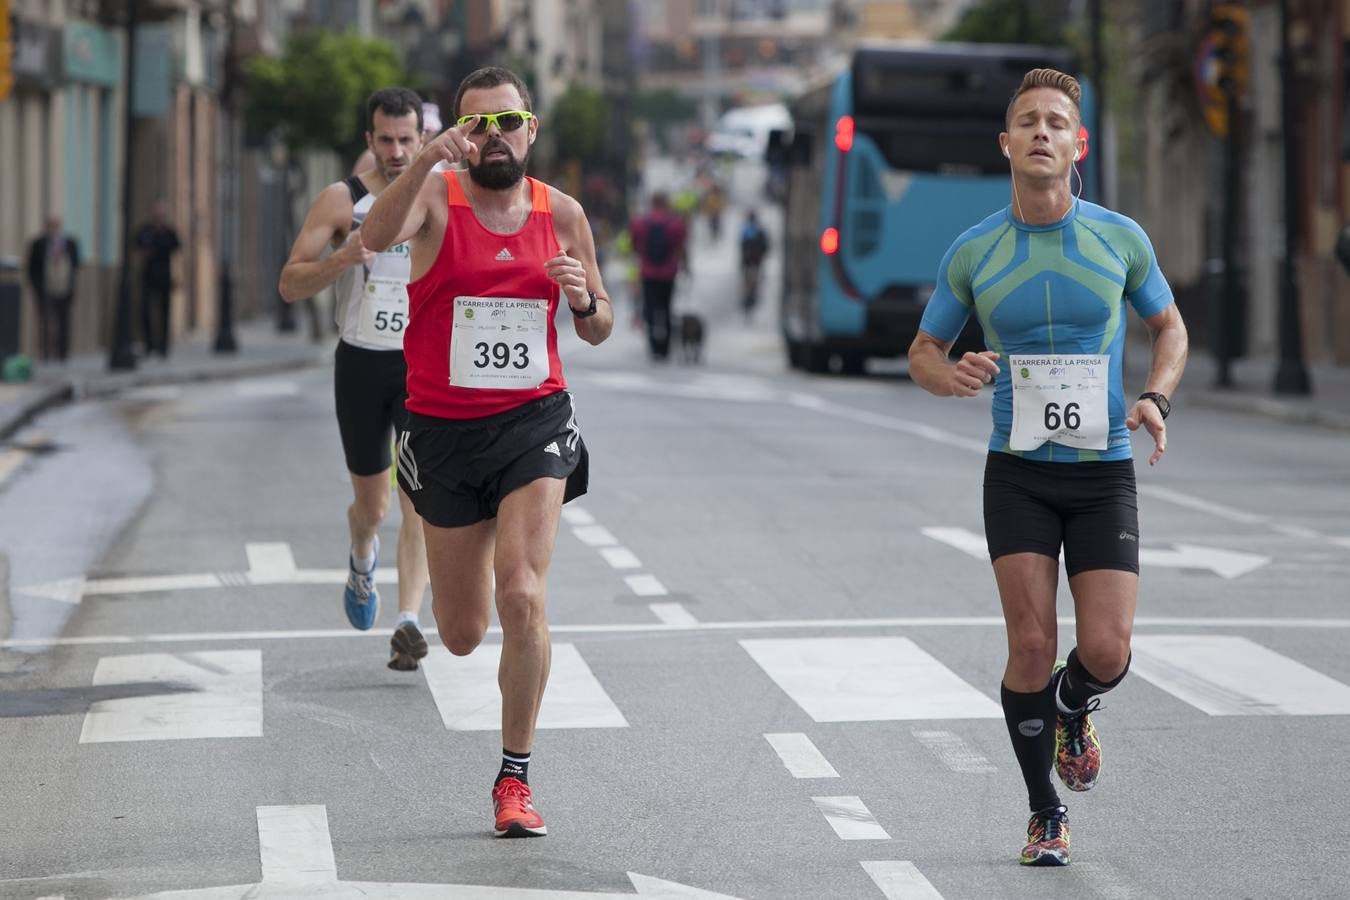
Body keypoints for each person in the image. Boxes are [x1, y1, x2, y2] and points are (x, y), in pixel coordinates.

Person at [907, 68, 1188, 868]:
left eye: (1056, 122)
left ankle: (1073, 706)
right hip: (1019, 473)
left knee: (1106, 651)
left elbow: (1171, 330)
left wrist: (1156, 398)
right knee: (1029, 645)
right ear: (1006, 143)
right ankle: (1044, 811)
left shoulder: (1119, 238)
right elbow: (924, 352)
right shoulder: (976, 251)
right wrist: (949, 374)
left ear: (1078, 144)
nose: (1040, 131)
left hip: (1103, 470)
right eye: (1027, 121)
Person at [360, 65, 612, 838]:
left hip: (533, 423)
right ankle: (456, 625)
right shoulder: (434, 195)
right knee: (465, 631)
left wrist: (581, 299)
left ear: (531, 130)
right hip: (440, 431)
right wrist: (429, 159)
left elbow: (600, 325)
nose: (493, 137)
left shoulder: (562, 214)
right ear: (460, 134)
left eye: (508, 122)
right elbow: (372, 238)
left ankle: (515, 777)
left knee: (523, 595)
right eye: (478, 125)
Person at [279, 87, 432, 671]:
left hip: (419, 367)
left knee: (418, 497)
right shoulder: (341, 201)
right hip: (362, 363)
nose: (397, 151)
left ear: (422, 138)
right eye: (386, 140)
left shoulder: (436, 201)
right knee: (374, 504)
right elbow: (290, 283)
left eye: (406, 139)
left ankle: (409, 619)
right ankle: (362, 552)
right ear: (369, 141)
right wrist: (342, 258)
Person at [629, 192, 688, 360]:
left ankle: (653, 345)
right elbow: (680, 246)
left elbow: (635, 244)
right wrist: (685, 266)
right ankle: (665, 347)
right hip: (668, 273)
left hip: (648, 272)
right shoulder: (675, 224)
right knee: (667, 307)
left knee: (650, 307)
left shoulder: (641, 223)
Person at [24, 215, 80, 362]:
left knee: (64, 321)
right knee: (45, 321)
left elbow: (76, 266)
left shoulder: (70, 243)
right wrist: (35, 286)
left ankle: (62, 353)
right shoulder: (39, 244)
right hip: (45, 287)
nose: (54, 228)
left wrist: (72, 286)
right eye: (51, 225)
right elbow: (32, 267)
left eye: (56, 225)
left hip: (64, 288)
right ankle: (45, 352)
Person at [135, 200, 182, 358]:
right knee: (145, 311)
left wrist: (177, 277)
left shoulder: (169, 233)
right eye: (156, 214)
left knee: (164, 312)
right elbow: (136, 251)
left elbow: (177, 255)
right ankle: (149, 345)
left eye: (161, 214)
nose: (159, 217)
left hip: (165, 276)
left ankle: (163, 347)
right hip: (148, 275)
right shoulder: (145, 231)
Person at [353, 101, 444, 175]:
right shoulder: (370, 158)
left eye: (429, 130)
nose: (397, 154)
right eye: (386, 139)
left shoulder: (444, 160)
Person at [738, 209, 769, 318]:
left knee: (748, 282)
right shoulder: (759, 231)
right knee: (753, 282)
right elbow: (765, 247)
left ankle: (748, 299)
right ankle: (750, 299)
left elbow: (742, 246)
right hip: (755, 262)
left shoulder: (746, 231)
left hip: (749, 262)